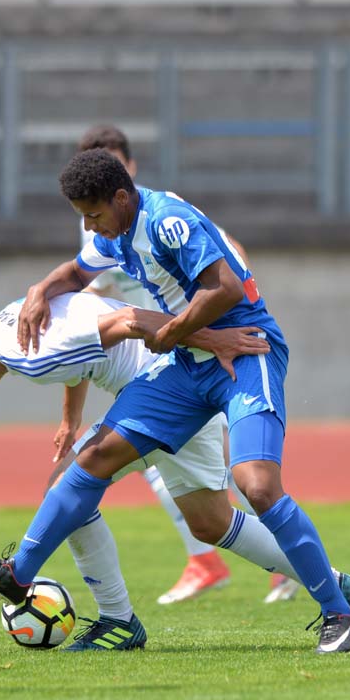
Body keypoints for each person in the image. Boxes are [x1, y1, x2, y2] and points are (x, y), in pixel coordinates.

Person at [0, 149, 350, 654]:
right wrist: (41, 288)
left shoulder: (166, 221)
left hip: (245, 350)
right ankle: (18, 575)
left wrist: (173, 331)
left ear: (121, 198)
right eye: (83, 217)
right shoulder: (116, 233)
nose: (89, 226)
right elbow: (76, 273)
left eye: (94, 214)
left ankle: (338, 612)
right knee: (91, 460)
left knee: (256, 483)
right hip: (188, 363)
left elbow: (227, 288)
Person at [0, 294, 350, 650]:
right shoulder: (2, 330)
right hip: (160, 382)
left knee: (68, 489)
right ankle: (335, 583)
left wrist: (211, 339)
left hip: (165, 390)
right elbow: (75, 352)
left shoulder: (24, 355)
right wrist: (71, 418)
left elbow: (131, 321)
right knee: (209, 521)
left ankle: (115, 619)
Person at [75, 123, 234, 606]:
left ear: (128, 170)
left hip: (182, 346)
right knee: (171, 462)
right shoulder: (98, 223)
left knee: (230, 467)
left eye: (112, 161)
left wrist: (206, 325)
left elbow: (228, 260)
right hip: (158, 347)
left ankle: (256, 558)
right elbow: (87, 288)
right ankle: (215, 560)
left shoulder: (162, 214)